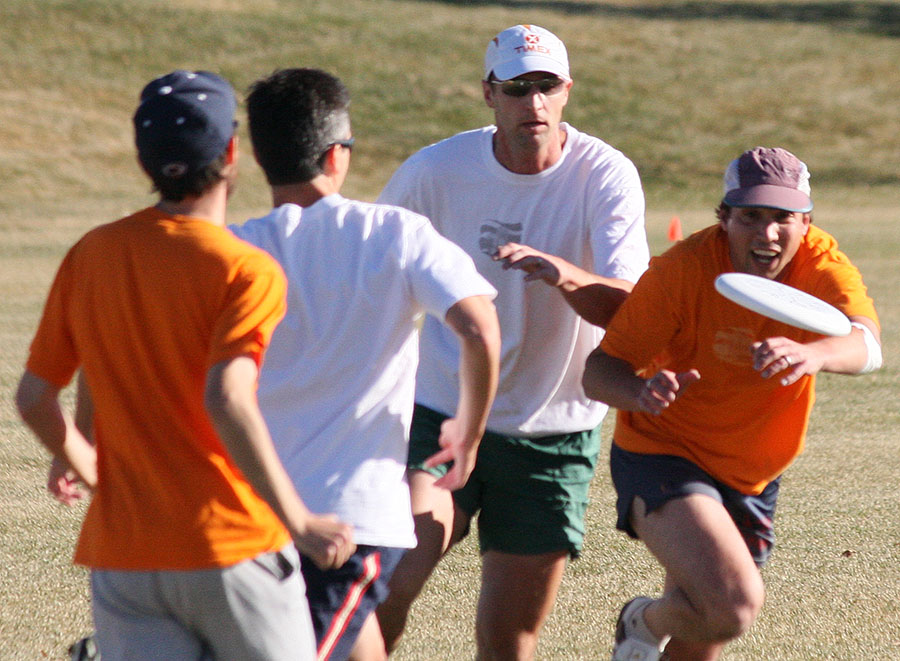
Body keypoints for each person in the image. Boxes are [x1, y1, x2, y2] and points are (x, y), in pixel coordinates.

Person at [16, 70, 355, 661]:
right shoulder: (245, 270)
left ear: (144, 158)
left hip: (125, 555)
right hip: (229, 543)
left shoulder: (92, 253)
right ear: (231, 153)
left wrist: (87, 466)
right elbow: (228, 398)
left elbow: (34, 397)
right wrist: (298, 520)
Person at [375, 24, 650, 659]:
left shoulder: (605, 174)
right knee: (387, 587)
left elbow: (629, 312)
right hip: (443, 413)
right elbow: (373, 273)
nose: (534, 103)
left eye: (546, 86)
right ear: (488, 94)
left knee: (509, 639)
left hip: (553, 432)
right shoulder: (436, 171)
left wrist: (565, 275)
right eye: (517, 88)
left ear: (567, 91)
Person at [229, 68, 501, 661]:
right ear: (337, 154)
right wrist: (470, 430)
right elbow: (479, 327)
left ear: (257, 155)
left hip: (247, 516)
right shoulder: (393, 233)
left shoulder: (234, 248)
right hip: (349, 524)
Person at [582, 146, 882, 661]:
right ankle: (643, 620)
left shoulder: (821, 262)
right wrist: (641, 392)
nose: (767, 234)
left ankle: (649, 630)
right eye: (750, 217)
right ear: (723, 218)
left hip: (753, 472)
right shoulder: (683, 269)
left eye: (783, 218)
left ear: (805, 221)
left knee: (703, 627)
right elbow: (599, 371)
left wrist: (813, 354)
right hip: (664, 451)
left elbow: (867, 345)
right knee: (733, 604)